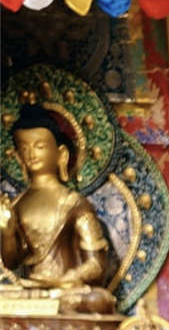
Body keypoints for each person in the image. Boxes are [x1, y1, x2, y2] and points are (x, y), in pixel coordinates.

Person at [0, 103, 113, 310]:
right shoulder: (16, 204)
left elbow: (97, 264)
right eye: (24, 148)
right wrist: (7, 232)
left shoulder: (74, 203)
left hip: (66, 291)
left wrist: (66, 279)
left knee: (99, 300)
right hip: (30, 291)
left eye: (40, 146)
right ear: (17, 157)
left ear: (61, 154)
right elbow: (11, 262)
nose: (31, 153)